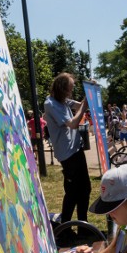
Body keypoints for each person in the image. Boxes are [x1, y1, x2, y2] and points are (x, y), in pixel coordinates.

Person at [43, 72, 92, 225]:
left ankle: (82, 225)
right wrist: (83, 108)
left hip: (76, 149)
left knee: (85, 189)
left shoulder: (63, 100)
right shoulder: (51, 104)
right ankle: (65, 227)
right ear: (61, 88)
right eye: (69, 89)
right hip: (67, 155)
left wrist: (90, 91)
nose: (70, 92)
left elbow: (79, 104)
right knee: (73, 192)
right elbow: (72, 123)